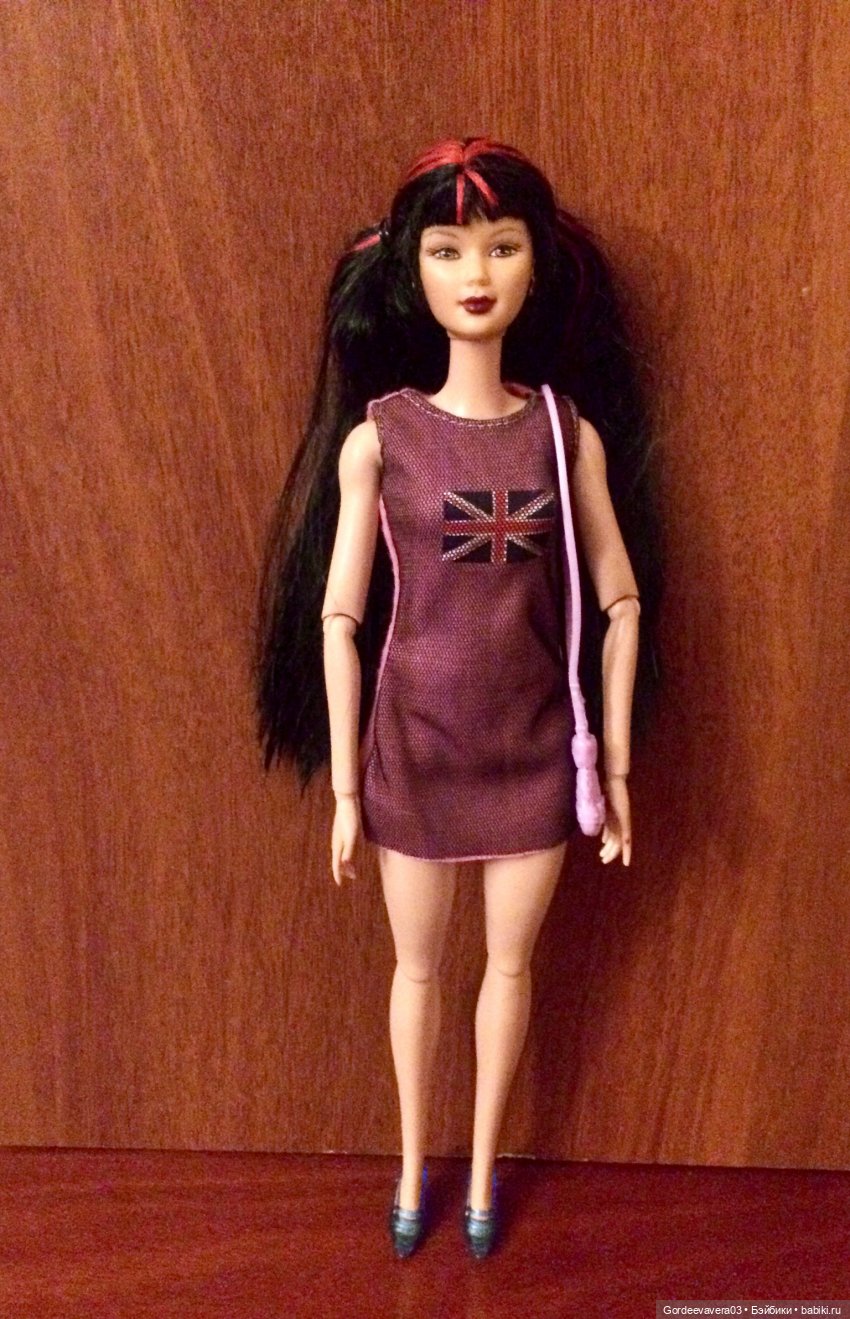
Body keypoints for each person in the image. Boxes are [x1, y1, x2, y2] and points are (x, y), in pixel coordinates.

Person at [256, 138, 660, 1259]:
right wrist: (348, 787)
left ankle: (481, 1173)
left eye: (500, 246)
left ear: (538, 263)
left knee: (510, 966)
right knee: (420, 969)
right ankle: (410, 1166)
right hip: (415, 750)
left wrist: (612, 764)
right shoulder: (380, 438)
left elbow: (621, 600)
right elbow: (338, 618)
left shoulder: (562, 434)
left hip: (534, 750)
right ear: (409, 270)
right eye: (447, 248)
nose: (475, 272)